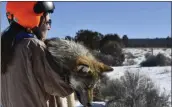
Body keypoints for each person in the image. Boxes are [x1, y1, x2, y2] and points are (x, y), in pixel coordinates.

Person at [1, 2, 73, 107]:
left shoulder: (5, 48)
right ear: (34, 19)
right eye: (48, 22)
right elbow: (62, 88)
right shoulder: (33, 47)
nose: (49, 28)